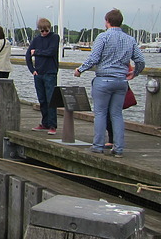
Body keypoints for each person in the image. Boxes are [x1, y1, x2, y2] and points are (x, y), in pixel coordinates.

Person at [74, 9, 145, 158]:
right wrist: (135, 72)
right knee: (117, 114)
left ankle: (98, 146)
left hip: (104, 79)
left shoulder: (103, 37)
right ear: (121, 22)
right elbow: (140, 60)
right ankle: (118, 148)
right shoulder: (130, 39)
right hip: (121, 81)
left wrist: (80, 70)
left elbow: (94, 58)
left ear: (107, 21)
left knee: (100, 113)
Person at [26, 18, 60, 135]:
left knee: (51, 100)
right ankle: (44, 123)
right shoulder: (36, 40)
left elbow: (51, 51)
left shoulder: (55, 37)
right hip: (38, 74)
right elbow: (27, 55)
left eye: (46, 31)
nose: (44, 33)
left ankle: (52, 125)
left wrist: (36, 52)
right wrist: (32, 70)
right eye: (42, 31)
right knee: (42, 100)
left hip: (50, 73)